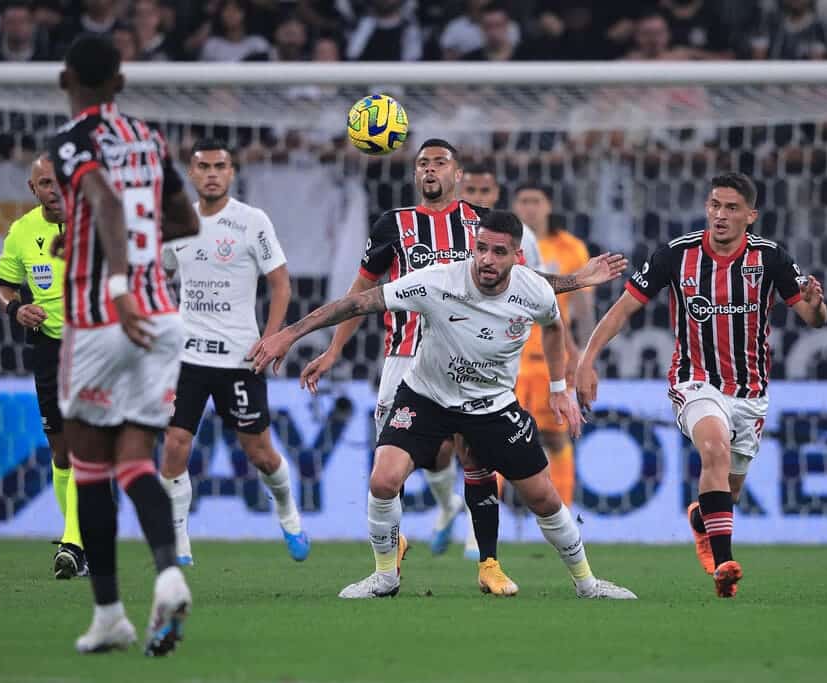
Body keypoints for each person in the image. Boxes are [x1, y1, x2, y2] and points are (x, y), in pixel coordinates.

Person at [250, 210, 636, 601]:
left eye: (498, 252)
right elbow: (357, 304)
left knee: (543, 497)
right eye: (481, 248)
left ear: (517, 256)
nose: (486, 259)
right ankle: (385, 577)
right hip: (427, 396)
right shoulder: (436, 281)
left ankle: (587, 583)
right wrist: (290, 334)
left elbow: (553, 327)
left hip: (492, 405)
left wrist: (558, 387)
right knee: (383, 480)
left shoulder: (533, 290)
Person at [576, 172, 827, 598]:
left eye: (732, 208)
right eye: (714, 205)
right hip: (694, 380)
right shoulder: (676, 255)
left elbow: (812, 319)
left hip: (750, 392)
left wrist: (816, 303)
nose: (720, 214)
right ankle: (724, 565)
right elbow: (622, 310)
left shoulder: (770, 258)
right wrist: (587, 361)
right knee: (714, 449)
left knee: (728, 492)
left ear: (751, 215)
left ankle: (701, 520)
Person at [46, 34, 199, 655]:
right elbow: (183, 221)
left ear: (66, 80)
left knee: (89, 464)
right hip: (163, 313)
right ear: (121, 81)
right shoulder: (149, 138)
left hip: (102, 316)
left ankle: (109, 610)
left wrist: (113, 280)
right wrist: (113, 251)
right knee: (136, 459)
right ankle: (166, 575)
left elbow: (105, 202)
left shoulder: (70, 143)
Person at [160, 139, 310, 566]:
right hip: (187, 357)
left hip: (240, 360)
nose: (211, 173)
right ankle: (179, 542)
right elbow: (161, 273)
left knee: (260, 453)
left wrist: (272, 337)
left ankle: (288, 513)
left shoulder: (251, 222)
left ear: (231, 173)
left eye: (219, 166)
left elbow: (280, 283)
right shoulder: (176, 223)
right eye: (203, 166)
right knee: (175, 443)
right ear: (191, 173)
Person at [0, 153, 84, 580]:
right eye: (46, 183)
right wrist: (16, 310)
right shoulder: (22, 231)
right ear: (34, 189)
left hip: (95, 349)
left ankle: (73, 544)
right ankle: (81, 539)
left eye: (61, 181)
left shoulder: (97, 225)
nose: (55, 189)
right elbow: (5, 285)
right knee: (62, 452)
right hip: (49, 350)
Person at [454, 161, 541, 563]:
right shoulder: (446, 234)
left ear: (495, 194)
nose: (477, 196)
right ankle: (451, 511)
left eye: (485, 190)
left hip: (505, 357)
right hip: (446, 354)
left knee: (488, 444)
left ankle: (478, 535)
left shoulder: (521, 239)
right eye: (470, 188)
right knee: (451, 446)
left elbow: (539, 292)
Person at [512, 182, 593, 507]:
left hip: (552, 357)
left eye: (535, 200)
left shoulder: (569, 248)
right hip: (509, 356)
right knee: (496, 438)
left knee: (555, 437)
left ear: (548, 206)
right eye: (523, 201)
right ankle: (482, 527)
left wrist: (586, 356)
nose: (529, 208)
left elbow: (585, 310)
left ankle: (565, 511)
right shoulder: (502, 246)